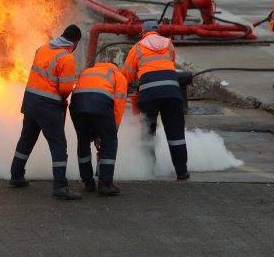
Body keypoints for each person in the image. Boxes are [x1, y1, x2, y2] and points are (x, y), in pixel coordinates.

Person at [9, 24, 82, 200]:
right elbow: (65, 89)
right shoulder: (67, 58)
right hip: (48, 106)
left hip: (30, 101)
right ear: (75, 41)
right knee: (59, 145)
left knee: (26, 138)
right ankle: (60, 187)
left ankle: (16, 175)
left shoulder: (42, 48)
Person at [122, 20, 189, 180]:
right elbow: (168, 64)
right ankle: (181, 171)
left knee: (148, 131)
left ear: (143, 32)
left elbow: (127, 75)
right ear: (158, 31)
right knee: (176, 133)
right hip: (172, 93)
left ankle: (149, 169)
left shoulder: (138, 47)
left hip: (149, 94)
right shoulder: (168, 43)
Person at [69, 57, 129, 196]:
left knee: (83, 141)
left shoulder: (87, 72)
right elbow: (118, 106)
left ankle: (88, 182)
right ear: (116, 67)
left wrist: (94, 133)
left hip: (77, 107)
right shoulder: (118, 75)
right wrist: (111, 131)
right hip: (100, 104)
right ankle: (105, 184)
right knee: (109, 142)